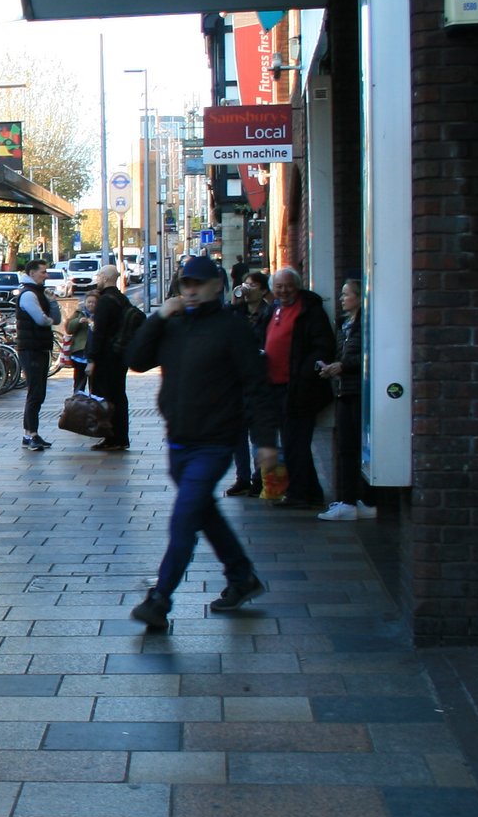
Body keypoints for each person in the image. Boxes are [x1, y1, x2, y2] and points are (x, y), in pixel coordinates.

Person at [124, 255, 281, 627]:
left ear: (217, 286)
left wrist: (264, 442)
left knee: (183, 521)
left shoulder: (232, 329)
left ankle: (160, 599)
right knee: (202, 513)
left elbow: (257, 388)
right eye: (184, 284)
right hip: (179, 441)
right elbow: (136, 360)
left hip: (215, 443)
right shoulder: (174, 325)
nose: (190, 290)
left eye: (197, 283)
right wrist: (159, 316)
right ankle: (241, 577)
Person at [264, 267, 338, 510]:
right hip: (276, 386)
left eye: (288, 286)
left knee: (296, 442)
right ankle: (311, 492)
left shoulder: (310, 311)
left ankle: (299, 493)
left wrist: (304, 373)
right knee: (292, 441)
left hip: (298, 388)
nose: (283, 291)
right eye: (279, 287)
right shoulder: (274, 308)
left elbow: (323, 346)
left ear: (297, 286)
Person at [316, 278, 375, 520]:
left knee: (352, 448)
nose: (341, 299)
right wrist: (330, 367)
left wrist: (342, 366)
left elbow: (366, 355)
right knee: (347, 447)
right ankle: (352, 499)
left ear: (359, 297)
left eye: (346, 294)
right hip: (344, 390)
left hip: (356, 392)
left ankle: (352, 502)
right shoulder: (344, 326)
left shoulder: (364, 325)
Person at [226, 270, 273, 498]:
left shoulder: (270, 313)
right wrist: (234, 303)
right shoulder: (236, 313)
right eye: (245, 284)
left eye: (252, 285)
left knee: (257, 432)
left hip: (259, 378)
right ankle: (242, 477)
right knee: (237, 433)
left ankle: (259, 479)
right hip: (235, 380)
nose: (247, 288)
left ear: (263, 290)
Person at [87, 265, 134, 452]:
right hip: (120, 354)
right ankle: (120, 437)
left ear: (106, 278)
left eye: (99, 275)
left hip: (106, 357)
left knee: (108, 398)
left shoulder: (105, 301)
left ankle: (112, 438)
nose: (97, 279)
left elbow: (99, 333)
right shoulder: (122, 299)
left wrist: (91, 359)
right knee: (119, 396)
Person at [16, 258, 59, 450]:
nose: (46, 275)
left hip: (40, 347)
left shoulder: (39, 293)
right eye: (43, 271)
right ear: (32, 273)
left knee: (39, 392)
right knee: (35, 393)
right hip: (31, 348)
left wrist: (53, 303)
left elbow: (55, 319)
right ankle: (30, 434)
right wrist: (48, 318)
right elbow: (41, 321)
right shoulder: (28, 295)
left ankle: (32, 433)